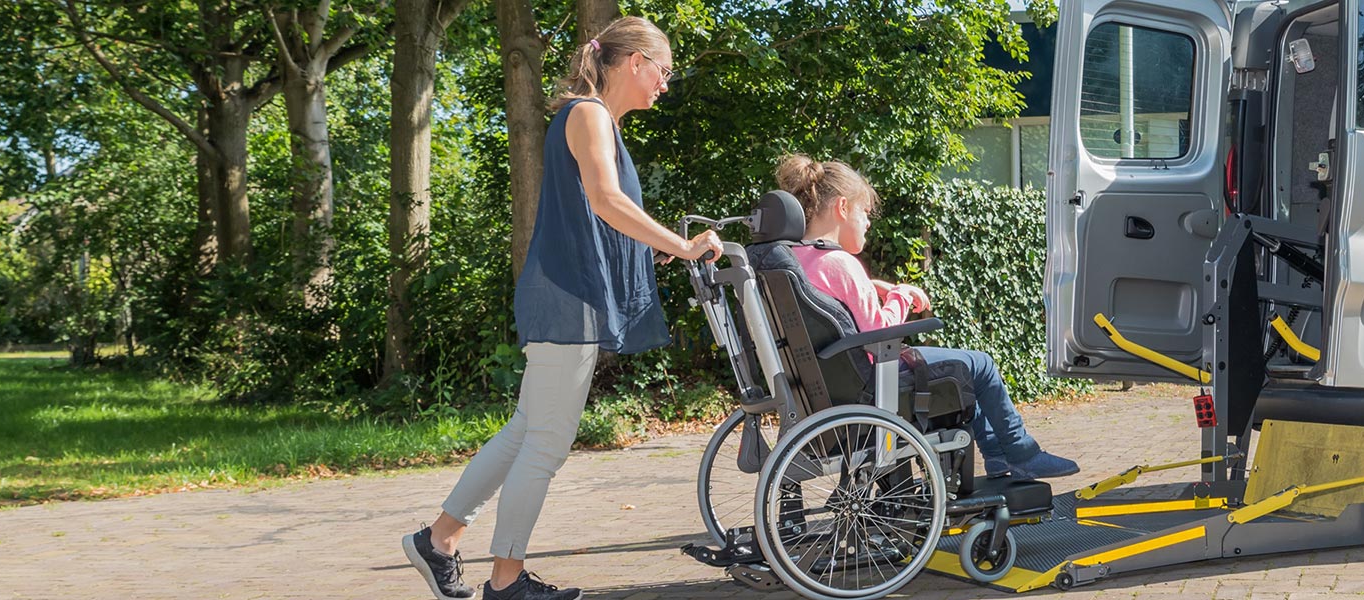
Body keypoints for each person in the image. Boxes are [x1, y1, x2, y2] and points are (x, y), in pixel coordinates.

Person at [402, 17, 723, 600]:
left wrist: (655, 249)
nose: (665, 84)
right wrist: (679, 244)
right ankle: (505, 581)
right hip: (568, 296)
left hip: (565, 290)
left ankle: (439, 539)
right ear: (635, 63)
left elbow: (599, 212)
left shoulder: (589, 117)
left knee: (526, 431)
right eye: (664, 71)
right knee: (545, 443)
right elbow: (605, 200)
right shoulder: (588, 114)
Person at [773, 153, 1079, 481]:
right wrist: (900, 295)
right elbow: (879, 332)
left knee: (960, 372)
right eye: (864, 212)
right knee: (981, 365)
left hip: (831, 386)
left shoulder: (794, 259)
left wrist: (871, 286)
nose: (867, 222)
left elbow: (830, 301)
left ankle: (999, 460)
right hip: (874, 383)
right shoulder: (841, 263)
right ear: (843, 207)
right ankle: (1021, 452)